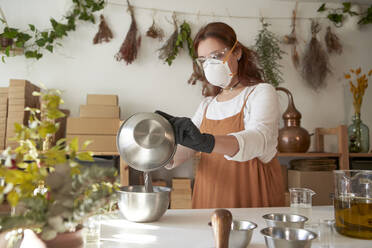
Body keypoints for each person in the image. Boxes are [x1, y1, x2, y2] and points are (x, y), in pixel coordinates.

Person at [156, 22, 284, 209]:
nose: (211, 65)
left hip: (250, 193)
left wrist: (208, 142)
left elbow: (260, 140)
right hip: (210, 194)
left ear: (237, 52)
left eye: (217, 56)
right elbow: (187, 148)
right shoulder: (208, 105)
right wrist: (161, 143)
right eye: (204, 60)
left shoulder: (260, 92)